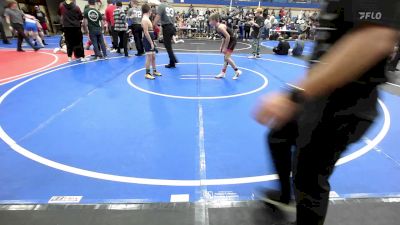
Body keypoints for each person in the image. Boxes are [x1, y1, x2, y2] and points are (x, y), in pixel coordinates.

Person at [254, 0, 399, 225]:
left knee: (309, 176)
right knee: (279, 136)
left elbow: (374, 39)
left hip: (347, 103)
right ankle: (284, 197)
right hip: (320, 94)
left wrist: (295, 95)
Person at [208, 13, 242, 80]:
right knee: (225, 58)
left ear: (214, 20)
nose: (209, 22)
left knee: (226, 58)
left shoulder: (220, 27)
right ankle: (223, 73)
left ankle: (237, 71)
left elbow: (228, 36)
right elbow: (224, 37)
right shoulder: (217, 27)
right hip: (229, 40)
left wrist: (225, 47)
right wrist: (221, 46)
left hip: (231, 41)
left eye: (210, 20)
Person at [153, 0, 178, 68]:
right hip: (171, 26)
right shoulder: (171, 7)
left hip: (167, 27)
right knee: (168, 45)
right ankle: (172, 63)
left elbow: (158, 16)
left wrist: (153, 24)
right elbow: (174, 18)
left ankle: (173, 59)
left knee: (167, 45)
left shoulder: (161, 6)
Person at [141, 3, 161, 80]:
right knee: (149, 57)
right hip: (147, 40)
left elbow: (149, 32)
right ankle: (147, 73)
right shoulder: (145, 19)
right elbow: (146, 32)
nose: (151, 12)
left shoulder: (146, 19)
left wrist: (153, 41)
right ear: (148, 11)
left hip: (149, 40)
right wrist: (151, 42)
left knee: (153, 57)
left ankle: (154, 71)